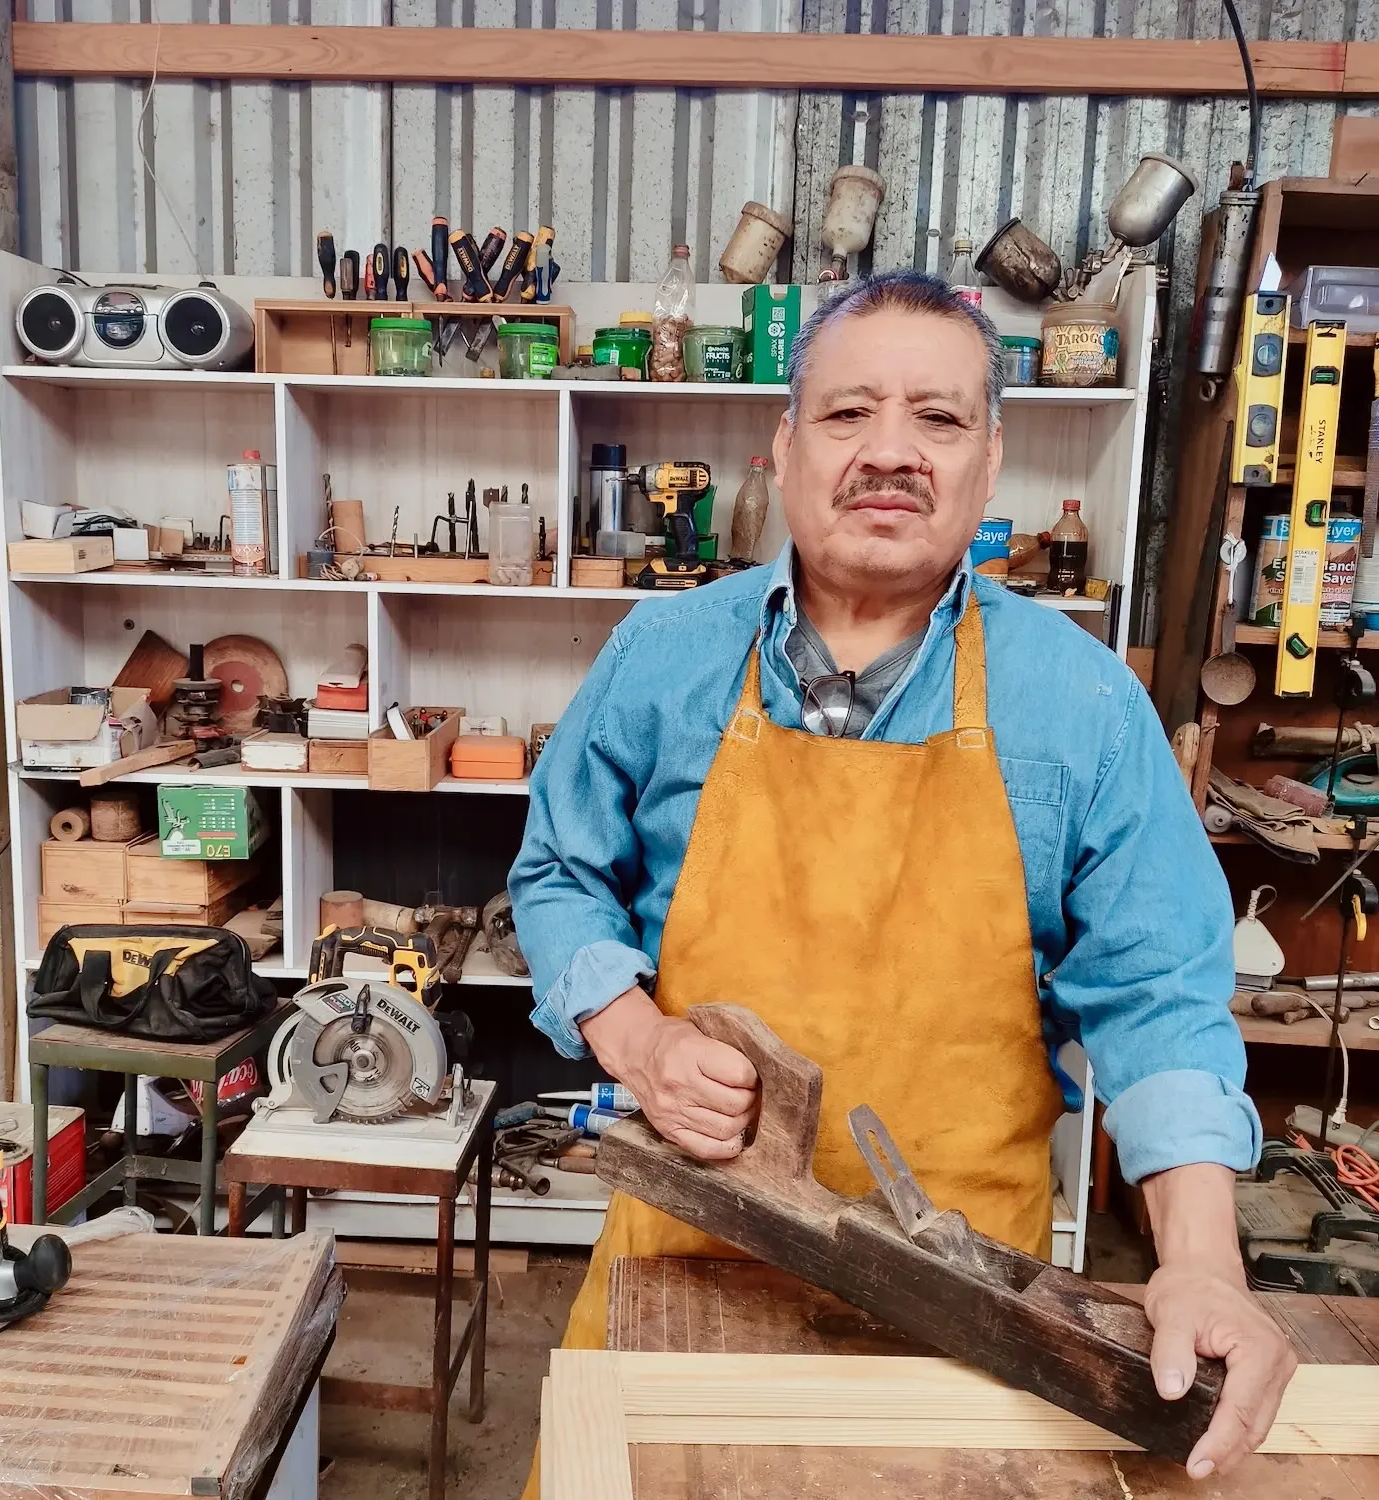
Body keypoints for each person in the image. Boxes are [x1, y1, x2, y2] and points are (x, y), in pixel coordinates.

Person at [508, 270, 1295, 1482]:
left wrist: (1199, 1261)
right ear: (782, 446)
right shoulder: (663, 656)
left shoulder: (1081, 703)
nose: (891, 452)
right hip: (683, 1266)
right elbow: (559, 873)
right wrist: (638, 1042)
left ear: (990, 462)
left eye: (937, 419)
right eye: (847, 413)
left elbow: (1160, 1005)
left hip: (975, 1312)